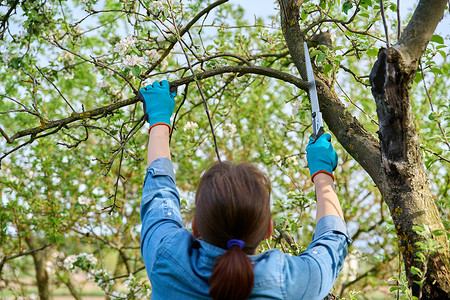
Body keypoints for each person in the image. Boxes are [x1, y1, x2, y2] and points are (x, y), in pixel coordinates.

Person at [139, 80, 352, 300]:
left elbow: (159, 192)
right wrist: (322, 173)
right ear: (268, 230)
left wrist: (159, 119)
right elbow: (332, 241)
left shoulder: (166, 256)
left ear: (194, 226)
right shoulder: (287, 281)